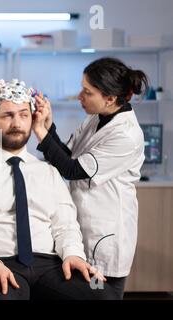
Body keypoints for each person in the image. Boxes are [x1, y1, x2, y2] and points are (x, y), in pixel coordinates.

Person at [0, 79, 114, 300]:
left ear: (32, 119)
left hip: (51, 264)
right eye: (7, 115)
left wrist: (73, 254)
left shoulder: (49, 172)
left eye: (24, 115)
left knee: (103, 294)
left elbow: (65, 226)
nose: (17, 123)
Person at [32, 57, 147, 299]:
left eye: (87, 92)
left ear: (110, 98)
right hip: (83, 224)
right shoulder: (96, 118)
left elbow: (73, 171)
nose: (79, 96)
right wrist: (48, 126)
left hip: (105, 232)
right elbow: (67, 156)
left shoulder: (126, 134)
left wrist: (41, 133)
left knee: (103, 296)